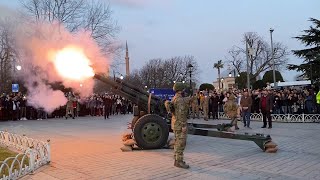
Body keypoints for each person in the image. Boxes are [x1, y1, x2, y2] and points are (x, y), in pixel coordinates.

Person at [165, 82, 191, 169]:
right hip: (180, 124)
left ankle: (177, 160)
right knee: (181, 143)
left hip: (175, 123)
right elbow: (181, 114)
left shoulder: (175, 98)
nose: (184, 91)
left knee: (177, 142)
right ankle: (179, 161)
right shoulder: (180, 100)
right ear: (180, 90)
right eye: (183, 89)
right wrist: (183, 125)